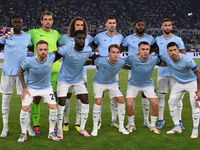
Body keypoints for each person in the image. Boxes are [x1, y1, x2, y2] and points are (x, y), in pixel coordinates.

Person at [17, 40, 61, 143]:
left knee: (54, 108)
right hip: (31, 88)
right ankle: (23, 133)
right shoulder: (28, 61)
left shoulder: (51, 57)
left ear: (48, 50)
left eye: (45, 49)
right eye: (40, 49)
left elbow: (62, 51)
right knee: (25, 108)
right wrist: (24, 88)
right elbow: (20, 71)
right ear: (36, 50)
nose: (43, 52)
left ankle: (51, 133)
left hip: (46, 88)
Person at [56, 30, 95, 139]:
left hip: (78, 79)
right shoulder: (66, 49)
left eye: (83, 38)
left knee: (85, 101)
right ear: (74, 39)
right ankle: (59, 130)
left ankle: (82, 128)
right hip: (64, 79)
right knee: (62, 102)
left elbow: (92, 58)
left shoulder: (88, 49)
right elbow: (55, 57)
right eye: (79, 38)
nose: (81, 40)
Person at [27, 11, 61, 135]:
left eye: (50, 19)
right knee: (36, 99)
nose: (48, 21)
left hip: (53, 72)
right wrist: (7, 30)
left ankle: (54, 124)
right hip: (38, 73)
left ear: (52, 21)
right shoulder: (33, 32)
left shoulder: (56, 34)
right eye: (45, 19)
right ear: (41, 21)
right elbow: (20, 35)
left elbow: (63, 45)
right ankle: (36, 124)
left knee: (53, 99)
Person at [0, 15, 33, 137]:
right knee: (5, 99)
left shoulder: (27, 36)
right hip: (7, 72)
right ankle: (5, 127)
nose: (17, 24)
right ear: (11, 24)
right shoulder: (6, 35)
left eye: (19, 22)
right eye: (15, 22)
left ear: (22, 23)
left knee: (26, 100)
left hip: (22, 73)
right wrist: (1, 32)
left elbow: (32, 48)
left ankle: (27, 126)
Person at [161, 42, 200, 138]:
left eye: (175, 50)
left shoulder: (187, 59)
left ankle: (195, 129)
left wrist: (199, 90)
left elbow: (198, 73)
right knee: (171, 102)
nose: (173, 52)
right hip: (178, 83)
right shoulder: (166, 57)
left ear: (178, 50)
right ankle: (177, 127)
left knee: (195, 104)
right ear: (168, 52)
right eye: (171, 50)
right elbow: (156, 58)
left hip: (191, 83)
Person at [122, 19, 155, 128]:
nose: (141, 26)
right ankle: (131, 122)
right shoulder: (128, 39)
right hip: (133, 70)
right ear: (135, 27)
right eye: (139, 25)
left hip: (145, 69)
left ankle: (146, 120)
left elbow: (155, 50)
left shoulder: (150, 38)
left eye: (142, 25)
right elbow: (122, 50)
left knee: (145, 95)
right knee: (132, 96)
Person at [91, 44, 129, 136]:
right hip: (98, 82)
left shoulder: (121, 62)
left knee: (121, 100)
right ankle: (95, 127)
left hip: (112, 83)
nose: (115, 54)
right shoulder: (100, 61)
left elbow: (127, 66)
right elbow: (93, 61)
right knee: (98, 101)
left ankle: (121, 127)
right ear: (109, 53)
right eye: (113, 52)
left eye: (117, 52)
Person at [93, 16, 124, 129]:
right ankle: (98, 121)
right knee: (99, 97)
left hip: (114, 70)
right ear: (106, 24)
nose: (112, 24)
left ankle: (114, 120)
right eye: (110, 23)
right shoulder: (99, 36)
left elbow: (122, 48)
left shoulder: (120, 37)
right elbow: (93, 46)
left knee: (115, 98)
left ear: (116, 24)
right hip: (101, 69)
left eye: (114, 23)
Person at [156, 18, 186, 129]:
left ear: (171, 27)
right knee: (161, 97)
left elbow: (184, 54)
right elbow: (154, 54)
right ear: (162, 27)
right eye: (165, 25)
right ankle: (160, 120)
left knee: (178, 98)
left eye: (169, 25)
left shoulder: (178, 39)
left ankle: (179, 121)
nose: (167, 27)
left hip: (176, 74)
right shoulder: (157, 40)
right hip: (162, 72)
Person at [126, 41, 161, 134]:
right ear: (138, 50)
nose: (145, 51)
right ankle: (131, 124)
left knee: (155, 104)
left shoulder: (154, 59)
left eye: (147, 49)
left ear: (150, 50)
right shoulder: (131, 58)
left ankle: (153, 126)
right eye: (143, 49)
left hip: (148, 85)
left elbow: (162, 61)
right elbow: (121, 63)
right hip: (133, 85)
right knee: (129, 104)